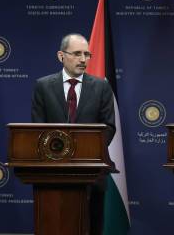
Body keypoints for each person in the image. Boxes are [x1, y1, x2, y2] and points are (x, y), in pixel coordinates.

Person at [31, 33, 115, 235]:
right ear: (61, 55)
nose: (83, 59)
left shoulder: (101, 86)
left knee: (91, 228)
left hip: (92, 174)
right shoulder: (43, 86)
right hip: (52, 175)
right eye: (77, 54)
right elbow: (37, 128)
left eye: (87, 54)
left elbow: (109, 127)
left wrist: (79, 153)